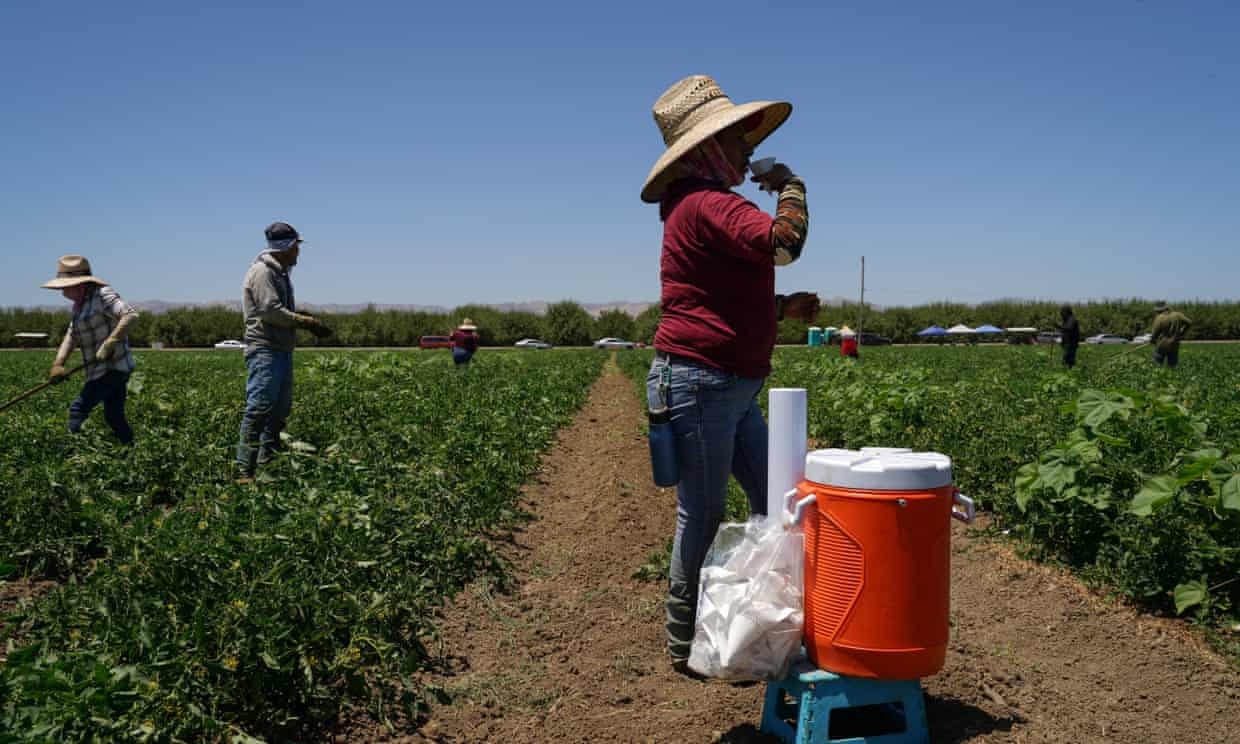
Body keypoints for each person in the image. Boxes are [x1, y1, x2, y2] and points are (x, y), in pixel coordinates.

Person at [640, 74, 819, 676]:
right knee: (703, 510)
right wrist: (791, 184)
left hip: (727, 385)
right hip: (702, 382)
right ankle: (685, 641)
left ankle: (760, 614)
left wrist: (776, 309)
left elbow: (712, 298)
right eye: (737, 140)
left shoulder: (695, 208)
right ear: (706, 149)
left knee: (774, 496)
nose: (747, 149)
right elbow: (785, 242)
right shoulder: (711, 203)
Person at [235, 222, 332, 481]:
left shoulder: (279, 272)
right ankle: (245, 470)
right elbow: (270, 311)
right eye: (296, 247)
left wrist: (301, 319)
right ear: (287, 247)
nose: (298, 253)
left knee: (278, 412)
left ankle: (268, 466)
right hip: (265, 349)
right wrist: (304, 322)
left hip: (280, 349)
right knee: (259, 408)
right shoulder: (263, 272)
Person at [42, 255, 139, 444]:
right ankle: (131, 448)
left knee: (78, 409)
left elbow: (130, 315)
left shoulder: (102, 295)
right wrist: (58, 364)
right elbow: (71, 335)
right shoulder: (78, 307)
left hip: (113, 367)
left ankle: (71, 454)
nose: (61, 291)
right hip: (100, 370)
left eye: (64, 286)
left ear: (78, 284)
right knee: (114, 416)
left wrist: (110, 342)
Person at [1151, 303, 1191, 368]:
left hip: (1162, 344)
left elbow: (1155, 332)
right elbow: (1189, 322)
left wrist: (1152, 340)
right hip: (1174, 344)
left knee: (1157, 364)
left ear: (1159, 311)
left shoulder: (1159, 318)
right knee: (1172, 366)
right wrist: (1182, 332)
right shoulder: (1178, 315)